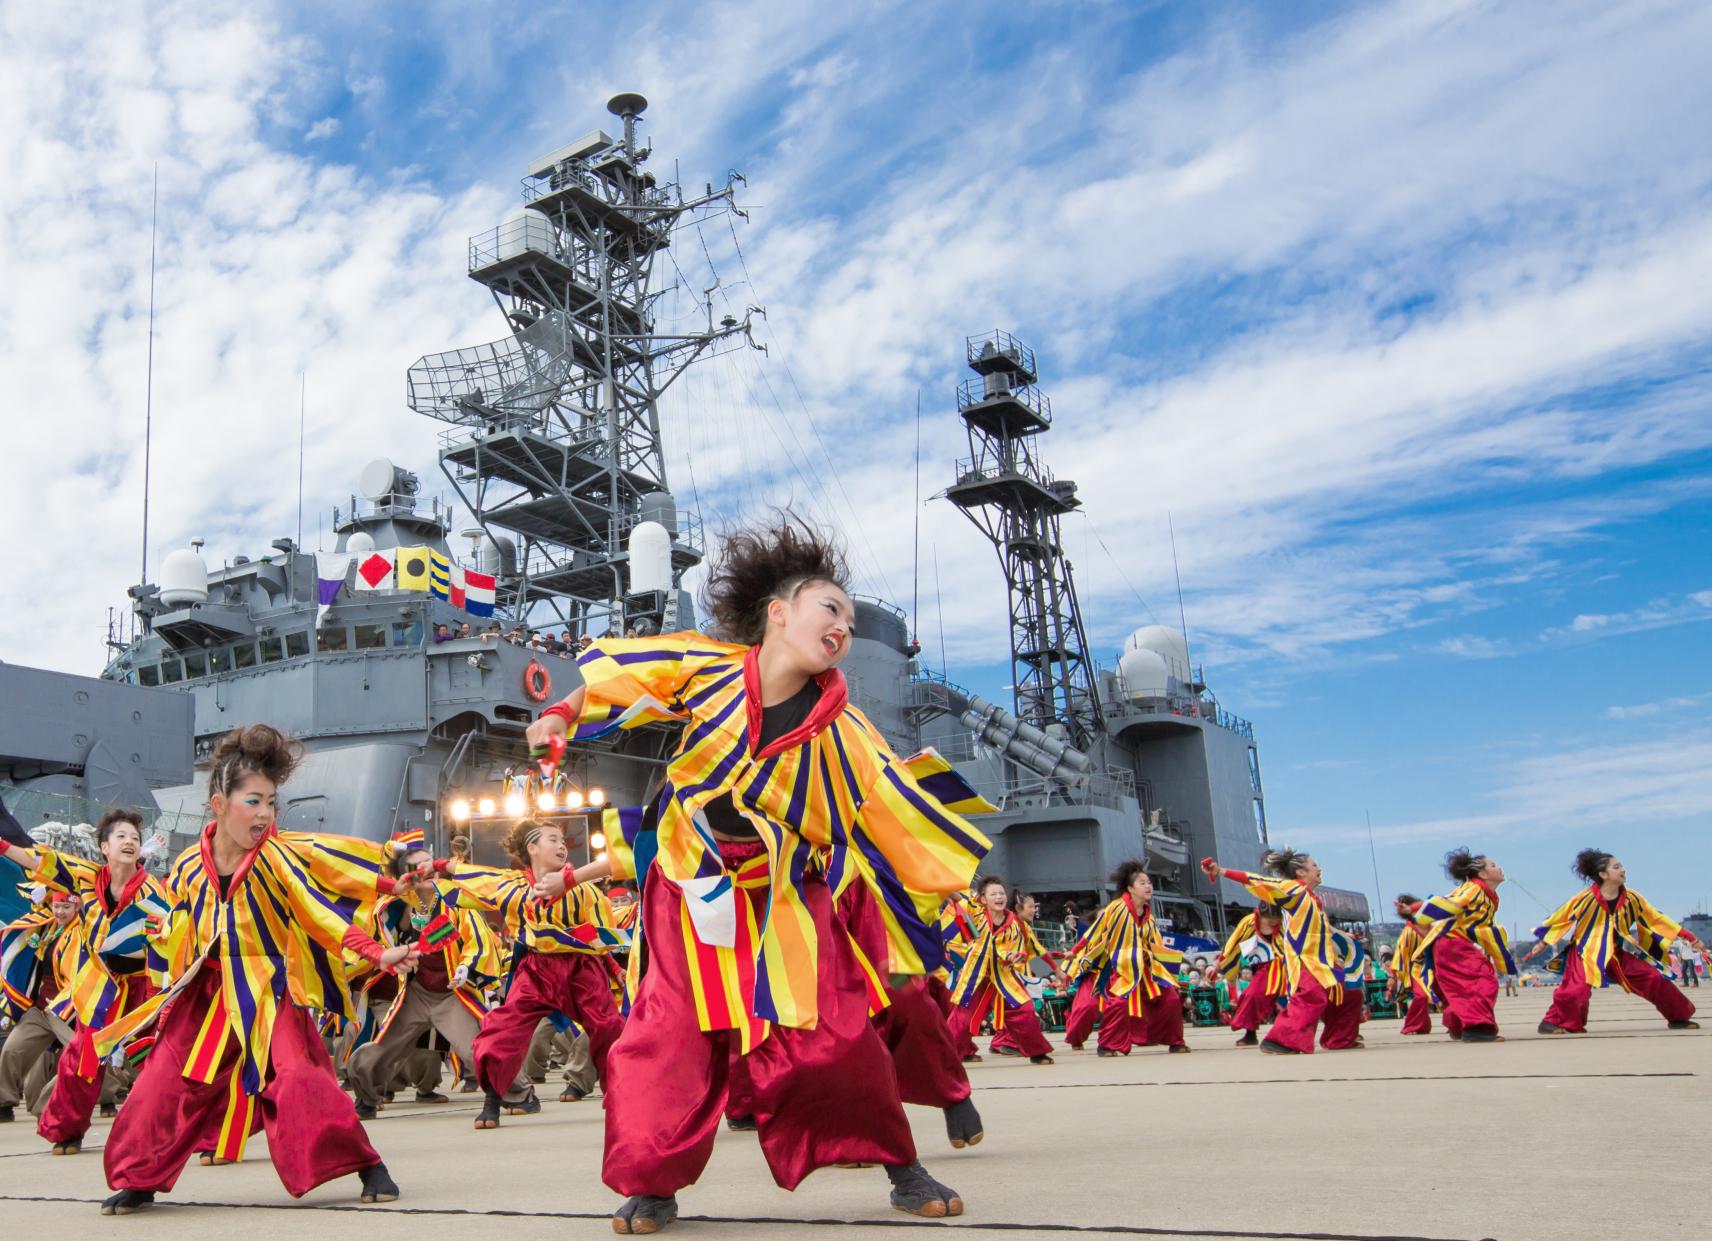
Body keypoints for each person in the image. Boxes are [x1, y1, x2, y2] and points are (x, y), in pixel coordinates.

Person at [525, 516, 987, 1231]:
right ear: (778, 612)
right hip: (687, 884)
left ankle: (901, 1165)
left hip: (783, 897)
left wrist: (943, 884)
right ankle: (653, 1185)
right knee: (665, 1036)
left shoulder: (848, 732)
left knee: (835, 1032)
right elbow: (617, 671)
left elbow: (892, 811)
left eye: (850, 618)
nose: (842, 625)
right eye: (829, 607)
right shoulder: (704, 665)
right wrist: (559, 713)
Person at [64, 725, 409, 1215]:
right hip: (203, 995)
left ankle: (367, 1165)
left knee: (302, 1082)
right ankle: (140, 1179)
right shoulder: (184, 867)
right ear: (219, 804)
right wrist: (161, 939)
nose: (266, 813)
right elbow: (176, 928)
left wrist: (377, 953)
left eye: (272, 802)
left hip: (267, 990)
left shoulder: (276, 859)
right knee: (161, 1085)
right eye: (254, 801)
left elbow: (318, 912)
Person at [430, 819, 624, 1126]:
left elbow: (602, 937)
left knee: (609, 1027)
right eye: (552, 839)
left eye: (563, 840)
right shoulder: (512, 885)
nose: (561, 845)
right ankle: (493, 1100)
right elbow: (477, 876)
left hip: (581, 968)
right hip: (536, 969)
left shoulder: (586, 891)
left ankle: (621, 1098)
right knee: (502, 1030)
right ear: (531, 848)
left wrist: (614, 969)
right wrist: (441, 865)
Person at [0, 807, 169, 1155]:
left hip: (146, 985)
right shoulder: (84, 876)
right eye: (121, 836)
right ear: (104, 847)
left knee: (162, 1059)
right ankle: (66, 1130)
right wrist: (2, 846)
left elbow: (165, 948)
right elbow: (36, 858)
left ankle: (179, 1130)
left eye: (135, 838)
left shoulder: (154, 894)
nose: (130, 842)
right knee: (80, 1057)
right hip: (101, 985)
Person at [345, 834, 533, 1119]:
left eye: (427, 865)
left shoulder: (454, 899)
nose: (424, 872)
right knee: (380, 1050)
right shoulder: (391, 908)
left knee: (475, 1050)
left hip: (450, 994)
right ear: (403, 876)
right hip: (415, 993)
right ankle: (367, 1099)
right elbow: (369, 937)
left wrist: (466, 967)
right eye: (415, 868)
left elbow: (477, 940)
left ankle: (520, 1093)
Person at [1199, 850, 1362, 1054]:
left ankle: (1339, 1038)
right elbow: (1258, 880)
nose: (1319, 869)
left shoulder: (1310, 897)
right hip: (1305, 962)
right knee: (1309, 997)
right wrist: (1221, 871)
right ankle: (1281, 1040)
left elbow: (1323, 931)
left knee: (1348, 995)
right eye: (1314, 865)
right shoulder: (1293, 890)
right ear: (1301, 872)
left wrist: (1345, 939)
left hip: (1323, 962)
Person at [1528, 849, 1701, 1034]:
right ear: (1603, 874)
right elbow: (1559, 918)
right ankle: (1551, 1022)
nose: (1623, 870)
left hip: (1615, 953)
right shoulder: (1584, 898)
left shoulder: (1633, 898)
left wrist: (1689, 937)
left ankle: (1679, 1017)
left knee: (1654, 979)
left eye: (1622, 866)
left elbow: (1657, 919)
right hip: (1583, 952)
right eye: (1617, 867)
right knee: (1575, 991)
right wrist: (1543, 942)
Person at [1060, 862, 1188, 1055]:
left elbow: (1158, 945)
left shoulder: (1148, 915)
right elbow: (1094, 931)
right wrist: (1075, 950)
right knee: (1116, 1003)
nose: (1148, 886)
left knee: (1170, 998)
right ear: (1130, 888)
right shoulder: (1116, 908)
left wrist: (1170, 974)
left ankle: (1175, 1041)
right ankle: (1107, 1044)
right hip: (1120, 969)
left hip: (1145, 969)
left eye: (1149, 882)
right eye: (1142, 883)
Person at [947, 875, 1062, 1064]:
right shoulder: (974, 912)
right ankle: (949, 1054)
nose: (999, 897)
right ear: (983, 899)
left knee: (1024, 1010)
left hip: (1003, 974)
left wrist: (1015, 957)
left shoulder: (1014, 924)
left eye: (1001, 893)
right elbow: (955, 897)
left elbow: (1018, 950)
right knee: (963, 1016)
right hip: (976, 973)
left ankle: (1037, 1052)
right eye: (993, 894)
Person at [1408, 849, 1514, 1043]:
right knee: (1483, 981)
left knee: (1461, 987)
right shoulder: (1474, 889)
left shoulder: (1483, 892)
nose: (1498, 867)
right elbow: (1453, 903)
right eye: (1493, 865)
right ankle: (1477, 1028)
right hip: (1452, 942)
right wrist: (1417, 909)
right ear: (1482, 874)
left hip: (1452, 943)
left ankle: (1459, 1025)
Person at [0, 888, 83, 1123]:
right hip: (40, 1007)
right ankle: (3, 1102)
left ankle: (47, 1107)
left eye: (66, 907)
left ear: (77, 907)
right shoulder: (47, 926)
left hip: (69, 1010)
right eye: (56, 906)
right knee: (12, 1050)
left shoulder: (84, 931)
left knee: (81, 1058)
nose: (60, 911)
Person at [1218, 903, 1286, 1046]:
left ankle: (1290, 1034)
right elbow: (1233, 944)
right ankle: (1250, 1034)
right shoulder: (1249, 922)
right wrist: (1223, 966)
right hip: (1266, 967)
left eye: (1277, 919)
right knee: (1250, 996)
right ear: (1260, 916)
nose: (1274, 923)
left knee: (1294, 1000)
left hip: (1290, 964)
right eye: (1270, 920)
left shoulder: (1287, 920)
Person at [1388, 895, 1433, 1035]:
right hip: (1418, 969)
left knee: (1449, 997)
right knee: (1421, 996)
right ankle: (1415, 1025)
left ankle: (1459, 1025)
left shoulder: (1432, 922)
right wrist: (1393, 976)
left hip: (1438, 966)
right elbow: (1400, 954)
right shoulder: (1409, 930)